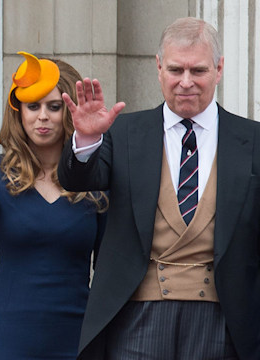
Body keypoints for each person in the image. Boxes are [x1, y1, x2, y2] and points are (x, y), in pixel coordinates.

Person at [58, 17, 260, 359]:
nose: (185, 83)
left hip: (223, 318)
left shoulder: (252, 140)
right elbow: (77, 179)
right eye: (175, 70)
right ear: (158, 67)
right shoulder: (124, 132)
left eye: (197, 71)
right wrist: (88, 138)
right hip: (138, 315)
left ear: (219, 69)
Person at [0, 52, 107, 359]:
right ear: (19, 111)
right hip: (6, 337)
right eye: (33, 106)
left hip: (77, 336)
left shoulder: (96, 178)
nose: (43, 116)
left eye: (54, 106)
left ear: (71, 111)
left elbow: (111, 265)